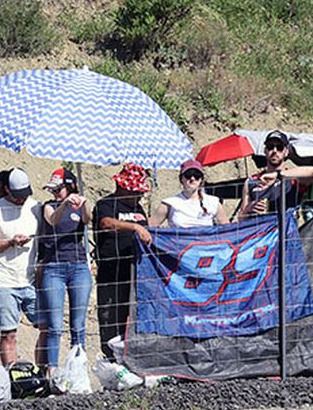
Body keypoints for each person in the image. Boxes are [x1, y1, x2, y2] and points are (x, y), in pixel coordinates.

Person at [0, 168, 40, 366]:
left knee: (47, 326)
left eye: (25, 195)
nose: (22, 200)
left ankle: (44, 372)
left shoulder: (35, 207)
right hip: (4, 280)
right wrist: (9, 243)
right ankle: (11, 378)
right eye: (17, 196)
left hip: (31, 279)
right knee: (8, 333)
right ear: (7, 190)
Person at [36, 167, 91, 374]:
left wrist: (83, 203)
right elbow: (53, 220)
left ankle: (79, 368)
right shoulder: (48, 206)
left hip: (78, 266)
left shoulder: (79, 204)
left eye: (59, 189)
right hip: (54, 268)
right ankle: (52, 370)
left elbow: (88, 219)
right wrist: (64, 204)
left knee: (78, 323)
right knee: (55, 324)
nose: (55, 193)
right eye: (53, 189)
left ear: (69, 186)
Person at [93, 163, 150, 359]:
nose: (139, 197)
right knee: (110, 318)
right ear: (123, 187)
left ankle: (132, 358)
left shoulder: (140, 208)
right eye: (136, 192)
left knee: (133, 318)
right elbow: (106, 224)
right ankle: (111, 358)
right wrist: (134, 227)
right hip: (112, 272)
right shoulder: (106, 205)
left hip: (136, 274)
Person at [234, 130, 313, 221]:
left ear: (286, 152)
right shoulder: (252, 181)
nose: (274, 151)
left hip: (286, 232)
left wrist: (278, 176)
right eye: (270, 147)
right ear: (265, 151)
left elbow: (312, 172)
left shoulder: (293, 178)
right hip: (261, 232)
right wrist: (249, 209)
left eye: (279, 148)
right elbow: (241, 218)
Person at [153, 159, 228, 228]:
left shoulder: (213, 202)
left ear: (201, 180)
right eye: (188, 175)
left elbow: (227, 229)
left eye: (197, 175)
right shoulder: (170, 203)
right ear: (181, 179)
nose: (192, 179)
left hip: (206, 242)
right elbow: (150, 226)